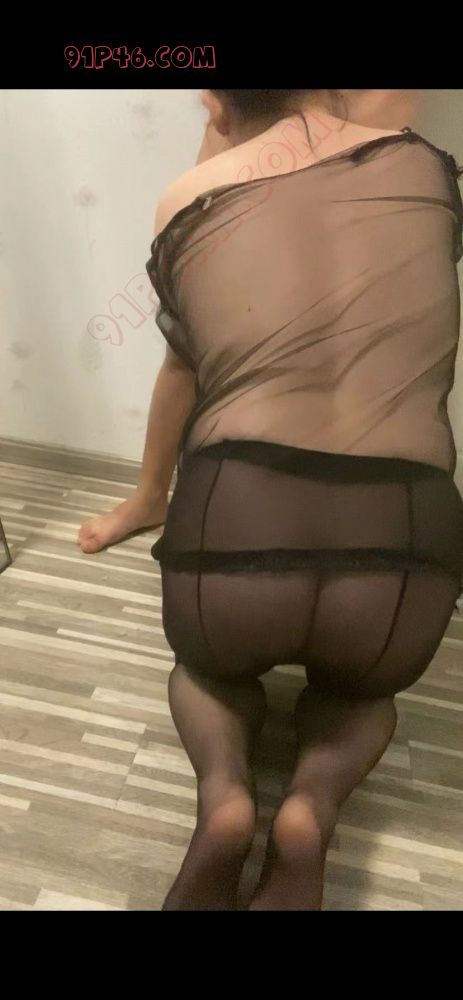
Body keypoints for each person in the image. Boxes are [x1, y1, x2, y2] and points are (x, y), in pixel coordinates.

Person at [80, 90, 463, 910]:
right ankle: (310, 807)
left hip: (234, 528)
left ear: (213, 102)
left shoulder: (188, 198)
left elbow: (186, 366)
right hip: (401, 553)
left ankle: (224, 797)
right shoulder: (429, 169)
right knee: (361, 695)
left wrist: (148, 496)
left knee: (209, 674)